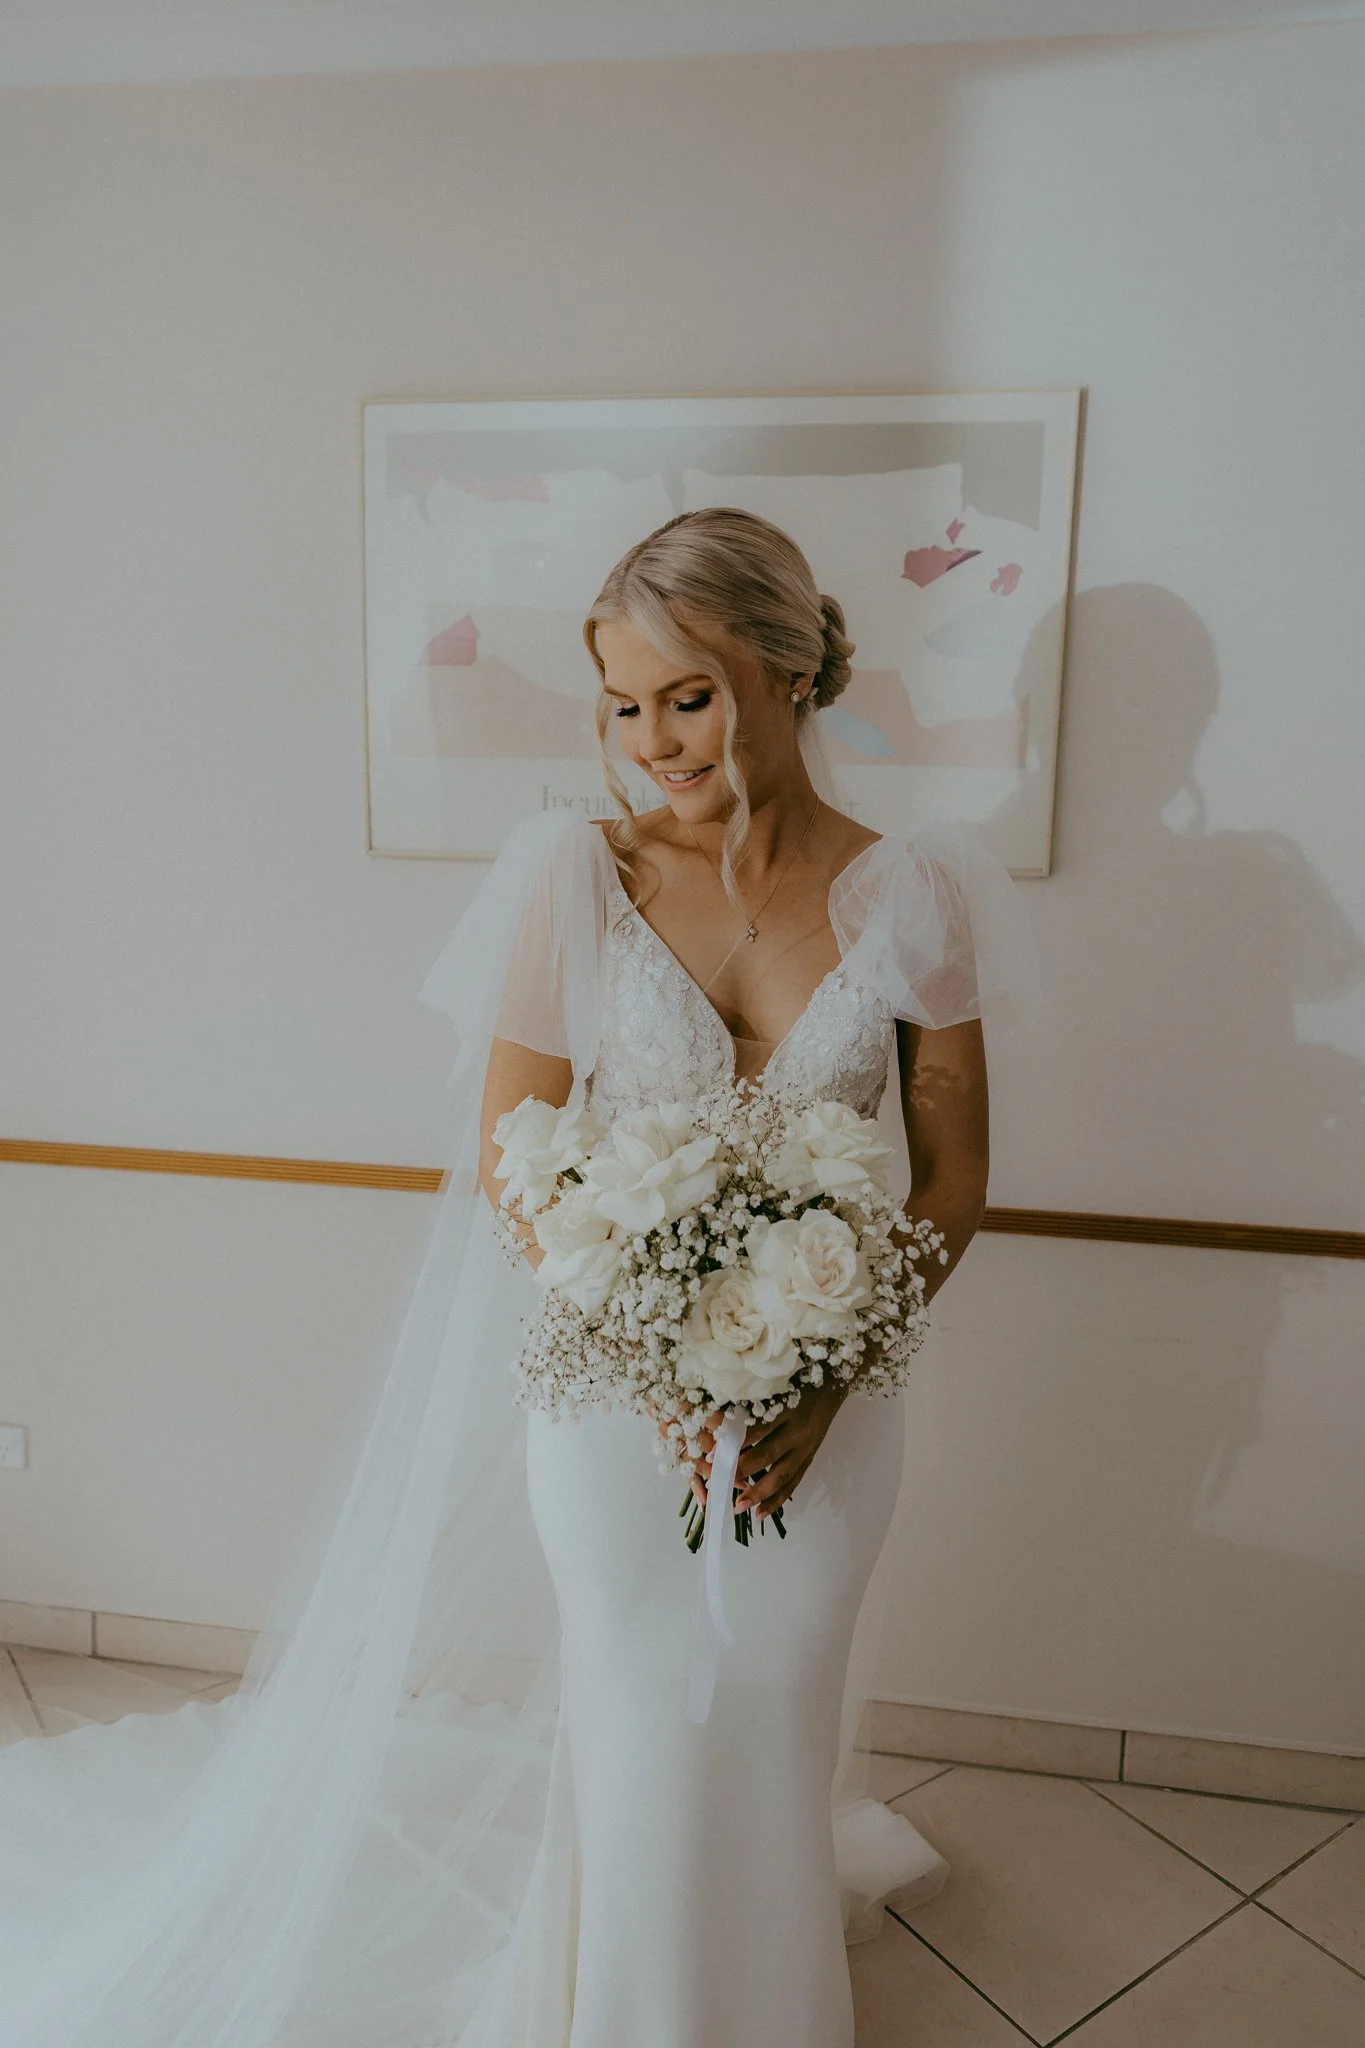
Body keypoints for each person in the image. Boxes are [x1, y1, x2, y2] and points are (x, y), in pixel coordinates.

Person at [0, 507, 1041, 2047]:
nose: (651, 742)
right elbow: (514, 1156)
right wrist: (660, 1339)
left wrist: (820, 1363)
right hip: (607, 1398)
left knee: (769, 1705)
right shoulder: (576, 874)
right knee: (633, 1705)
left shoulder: (915, 893)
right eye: (622, 706)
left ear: (789, 668)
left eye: (686, 695)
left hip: (830, 1397)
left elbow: (953, 1179)